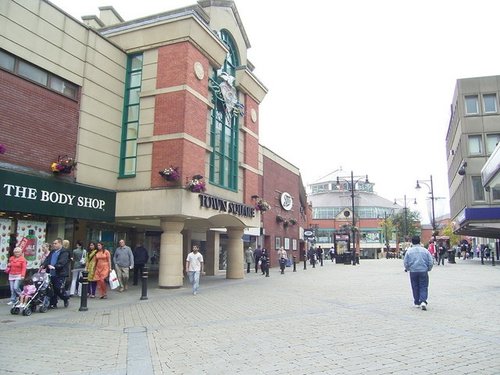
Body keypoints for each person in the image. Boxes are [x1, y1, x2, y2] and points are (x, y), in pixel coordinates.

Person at [404, 235, 434, 310]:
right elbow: (430, 261)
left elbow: (405, 262)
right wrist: (429, 268)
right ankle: (423, 301)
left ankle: (417, 301)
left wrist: (408, 268)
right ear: (419, 241)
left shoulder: (409, 251)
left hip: (413, 271)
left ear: (412, 242)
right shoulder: (425, 251)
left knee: (415, 286)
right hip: (423, 270)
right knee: (423, 286)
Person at [42, 238, 70, 308]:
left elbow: (63, 261)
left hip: (60, 273)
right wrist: (44, 265)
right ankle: (53, 303)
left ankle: (65, 298)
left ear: (60, 243)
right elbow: (47, 259)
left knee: (58, 288)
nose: (54, 245)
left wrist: (55, 266)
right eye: (53, 243)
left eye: (55, 243)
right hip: (51, 273)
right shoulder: (53, 251)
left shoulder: (64, 252)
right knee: (51, 288)